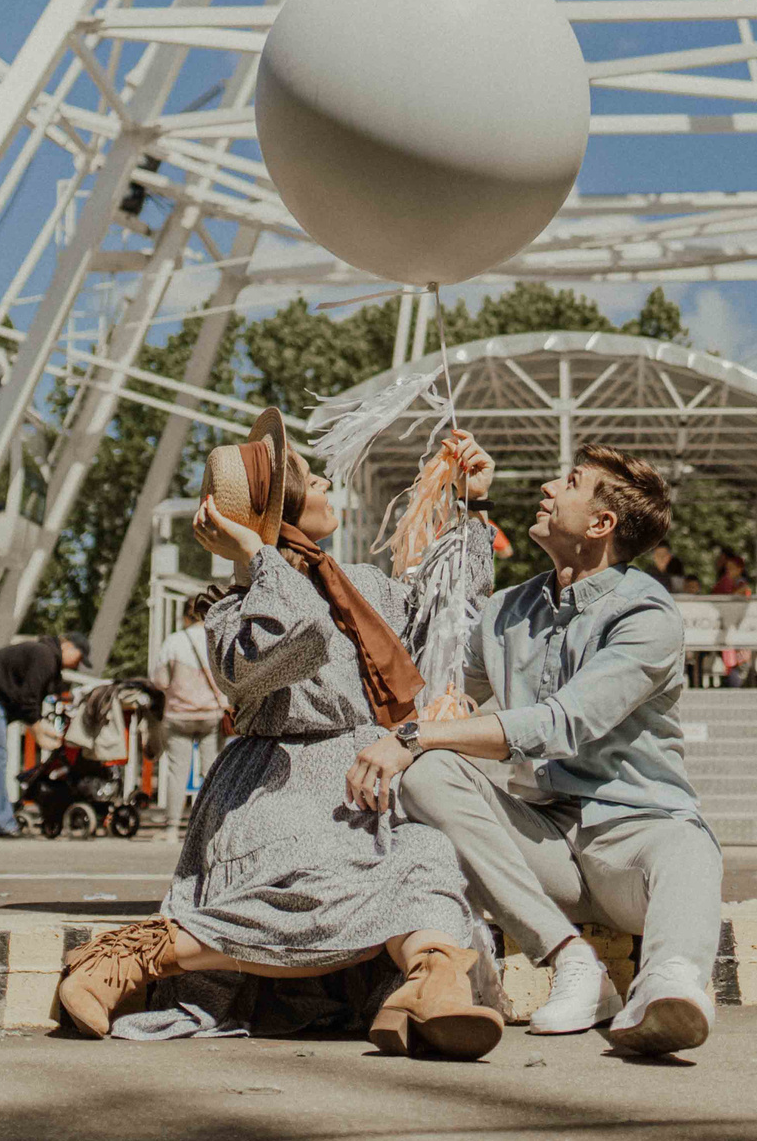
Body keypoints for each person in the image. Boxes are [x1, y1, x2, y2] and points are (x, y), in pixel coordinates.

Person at [54, 411, 508, 1060]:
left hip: (376, 770)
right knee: (318, 875)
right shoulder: (233, 611)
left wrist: (474, 500)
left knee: (428, 854)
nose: (324, 478)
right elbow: (301, 638)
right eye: (307, 476)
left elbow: (445, 622)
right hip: (281, 785)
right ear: (280, 510)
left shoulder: (363, 584)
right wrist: (258, 555)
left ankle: (430, 977)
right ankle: (131, 955)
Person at [350, 442, 723, 1056]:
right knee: (429, 773)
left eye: (570, 482)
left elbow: (562, 723)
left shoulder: (648, 613)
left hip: (634, 836)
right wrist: (470, 504)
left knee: (687, 843)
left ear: (601, 525)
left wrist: (412, 737)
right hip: (544, 840)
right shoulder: (505, 610)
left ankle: (672, 985)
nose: (549, 487)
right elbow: (440, 689)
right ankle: (573, 962)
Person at [0, 630, 86, 839]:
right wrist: (39, 731)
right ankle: (1, 825)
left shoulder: (41, 653)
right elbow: (28, 699)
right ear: (68, 646)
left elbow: (25, 700)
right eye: (79, 657)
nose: (77, 665)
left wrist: (39, 727)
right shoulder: (46, 656)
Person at [150, 587, 228, 826]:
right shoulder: (217, 638)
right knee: (212, 770)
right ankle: (214, 822)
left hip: (178, 716)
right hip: (211, 715)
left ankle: (173, 825)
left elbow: (160, 681)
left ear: (185, 615)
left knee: (177, 771)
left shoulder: (174, 642)